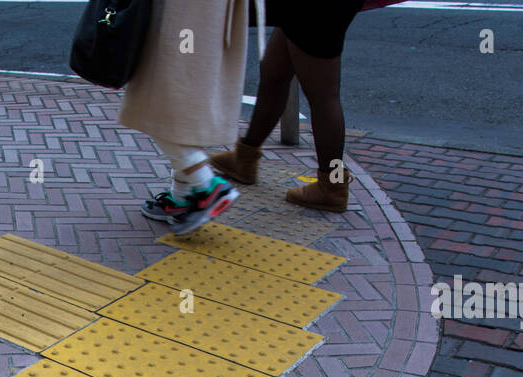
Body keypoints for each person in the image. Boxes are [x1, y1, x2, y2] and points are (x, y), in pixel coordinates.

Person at [209, 0, 366, 213]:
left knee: (323, 97)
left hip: (312, 8)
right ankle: (244, 158)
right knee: (274, 73)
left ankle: (333, 186)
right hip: (304, 9)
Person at [118, 0, 249, 234]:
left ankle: (207, 185)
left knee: (159, 102)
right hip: (203, 15)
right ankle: (180, 198)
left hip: (187, 14)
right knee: (185, 107)